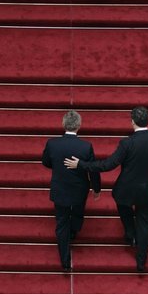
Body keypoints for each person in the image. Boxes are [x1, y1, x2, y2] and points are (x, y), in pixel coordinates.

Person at [64, 106, 148, 272]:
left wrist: (81, 164)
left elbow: (107, 165)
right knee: (145, 224)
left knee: (125, 210)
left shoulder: (127, 143)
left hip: (126, 190)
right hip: (147, 190)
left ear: (132, 122)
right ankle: (141, 262)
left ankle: (129, 234)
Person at [42, 110, 101, 270]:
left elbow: (46, 162)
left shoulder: (52, 143)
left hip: (60, 188)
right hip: (79, 189)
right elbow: (93, 169)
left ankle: (65, 260)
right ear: (79, 125)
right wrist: (96, 188)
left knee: (61, 223)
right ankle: (74, 230)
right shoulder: (85, 146)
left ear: (63, 124)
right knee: (78, 211)